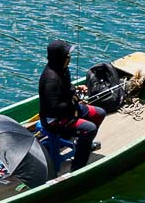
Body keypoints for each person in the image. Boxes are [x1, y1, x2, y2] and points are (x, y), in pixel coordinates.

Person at [38, 39, 105, 171]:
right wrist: (73, 105)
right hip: (54, 120)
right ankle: (78, 166)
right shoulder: (51, 79)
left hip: (70, 109)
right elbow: (54, 108)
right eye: (67, 55)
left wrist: (76, 90)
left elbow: (67, 87)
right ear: (60, 57)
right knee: (89, 128)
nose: (70, 57)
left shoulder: (62, 68)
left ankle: (83, 144)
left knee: (99, 113)